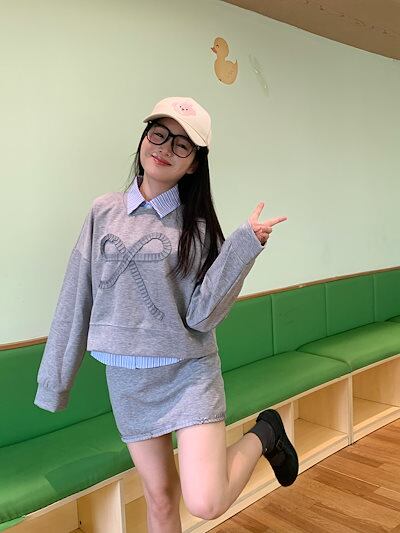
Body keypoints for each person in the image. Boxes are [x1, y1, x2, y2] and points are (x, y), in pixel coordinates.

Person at [34, 96, 298, 533]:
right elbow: (75, 296)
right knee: (159, 497)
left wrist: (243, 248)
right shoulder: (103, 212)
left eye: (182, 144)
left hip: (187, 373)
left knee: (206, 501)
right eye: (159, 134)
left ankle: (266, 433)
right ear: (144, 138)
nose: (165, 148)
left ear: (194, 164)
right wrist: (55, 383)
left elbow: (201, 318)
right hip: (127, 378)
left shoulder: (197, 227)